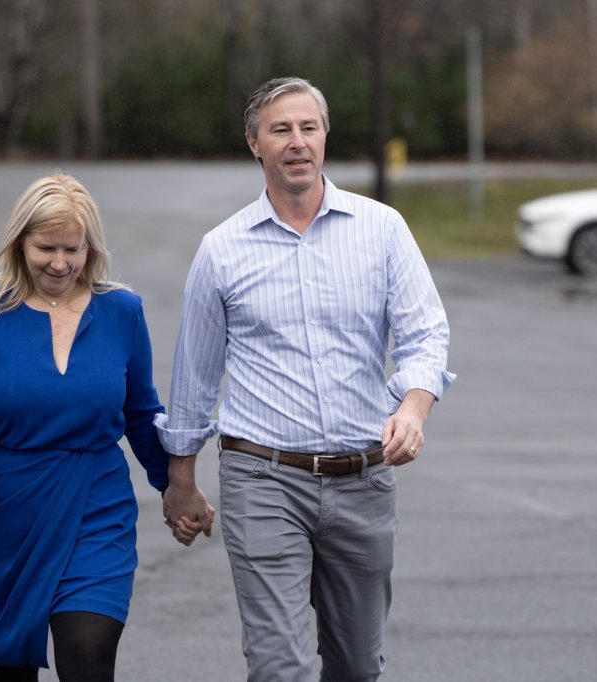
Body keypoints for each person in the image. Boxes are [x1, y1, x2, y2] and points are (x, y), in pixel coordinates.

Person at [157, 77, 455, 681]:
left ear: (324, 137)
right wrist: (180, 482)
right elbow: (194, 377)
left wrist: (414, 408)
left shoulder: (382, 229)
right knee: (280, 667)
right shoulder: (222, 249)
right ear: (255, 144)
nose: (297, 141)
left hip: (364, 479)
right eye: (280, 130)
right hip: (263, 479)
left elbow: (425, 334)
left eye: (308, 127)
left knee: (357, 666)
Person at [0, 173, 207, 682]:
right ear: (20, 243)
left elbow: (141, 414)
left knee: (87, 651)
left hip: (96, 505)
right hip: (8, 509)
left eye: (72, 250)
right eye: (46, 248)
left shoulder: (122, 311)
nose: (59, 263)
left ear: (90, 248)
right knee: (11, 669)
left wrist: (176, 487)